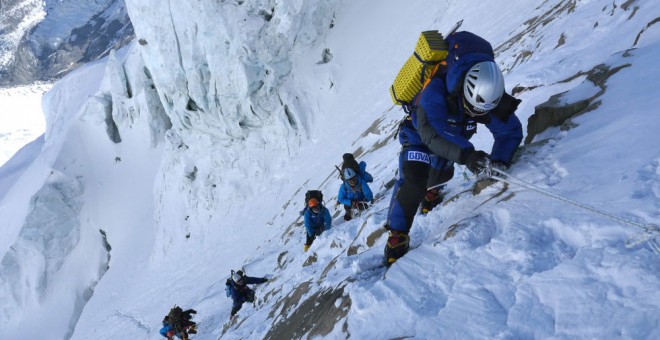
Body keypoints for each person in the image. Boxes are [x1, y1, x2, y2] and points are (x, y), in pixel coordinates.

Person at [384, 31, 523, 265]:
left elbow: (509, 131)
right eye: (474, 109)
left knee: (441, 174)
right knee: (414, 180)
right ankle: (397, 234)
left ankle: (432, 192)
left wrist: (499, 161)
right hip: (419, 134)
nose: (478, 115)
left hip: (454, 135)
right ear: (464, 91)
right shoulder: (433, 94)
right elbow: (433, 132)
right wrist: (468, 155)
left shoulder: (487, 91)